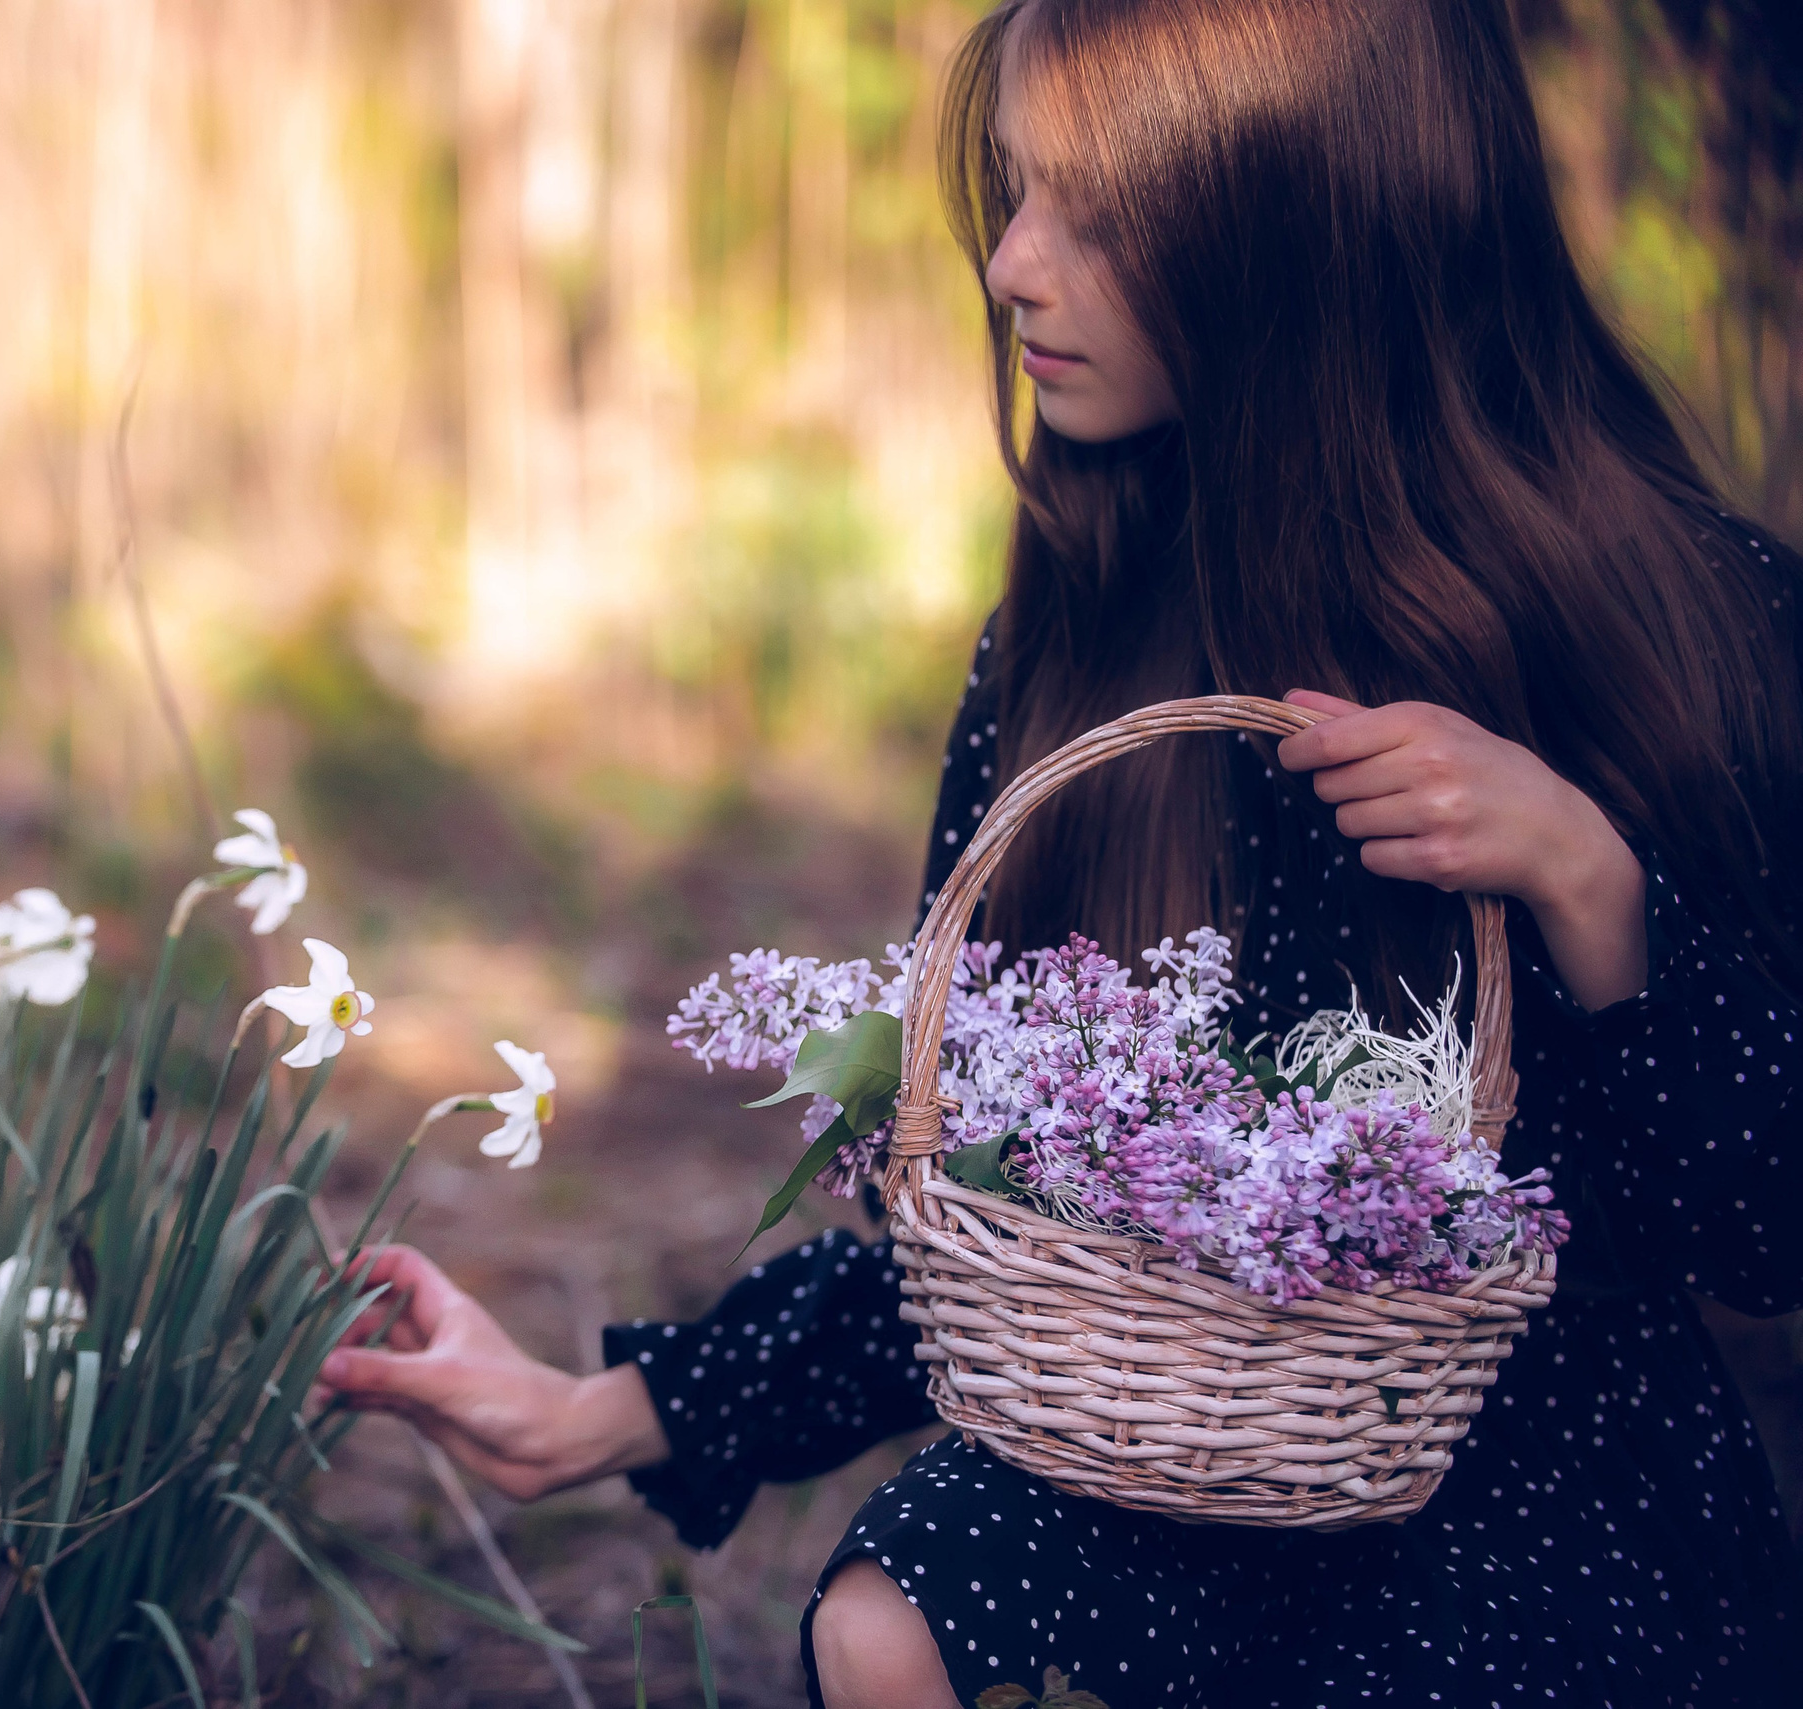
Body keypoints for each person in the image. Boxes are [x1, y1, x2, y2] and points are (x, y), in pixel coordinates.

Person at [320, 0, 1802, 1701]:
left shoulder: (1685, 618)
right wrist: (596, 1410)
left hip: (1553, 1503)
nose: (1014, 265)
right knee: (892, 1611)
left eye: (1101, 218)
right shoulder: (1087, 634)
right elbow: (996, 1212)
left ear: (1306, 225)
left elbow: (1764, 1232)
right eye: (1017, 191)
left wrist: (1595, 885)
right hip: (1184, 1465)